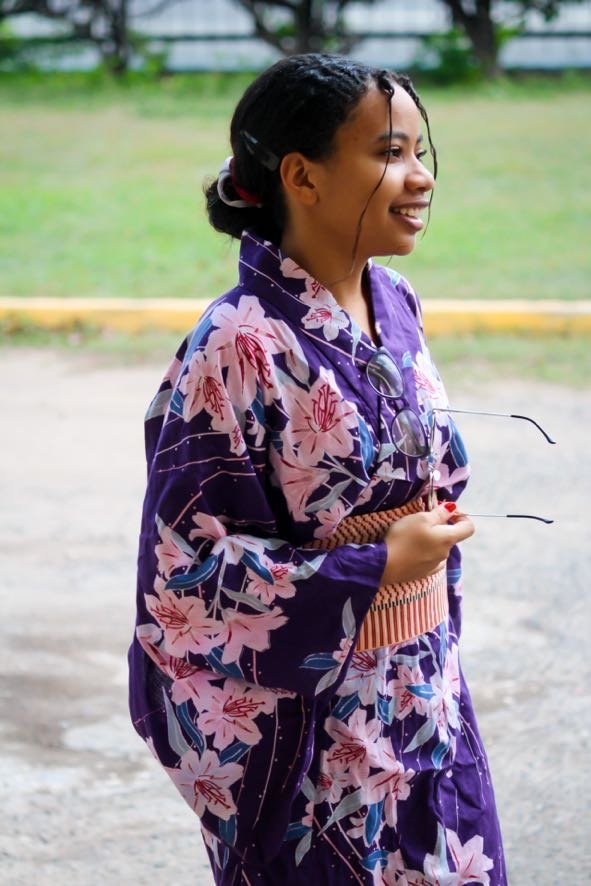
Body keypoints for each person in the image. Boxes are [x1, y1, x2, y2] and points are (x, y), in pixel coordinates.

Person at [128, 54, 506, 885]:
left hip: (422, 700)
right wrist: (377, 563)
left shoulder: (395, 302)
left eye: (418, 151)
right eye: (388, 153)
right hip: (315, 741)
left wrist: (423, 544)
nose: (420, 178)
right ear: (301, 175)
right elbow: (186, 581)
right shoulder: (234, 343)